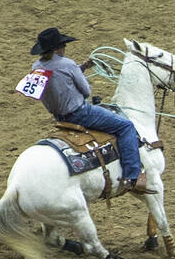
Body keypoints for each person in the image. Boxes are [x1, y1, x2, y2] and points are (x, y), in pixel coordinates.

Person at [28, 28, 156, 196]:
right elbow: (86, 90)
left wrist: (82, 68)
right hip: (80, 114)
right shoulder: (67, 64)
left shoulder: (36, 67)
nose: (65, 48)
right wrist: (76, 72)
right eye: (63, 45)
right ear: (57, 48)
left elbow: (58, 79)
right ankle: (132, 177)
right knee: (126, 126)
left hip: (59, 117)